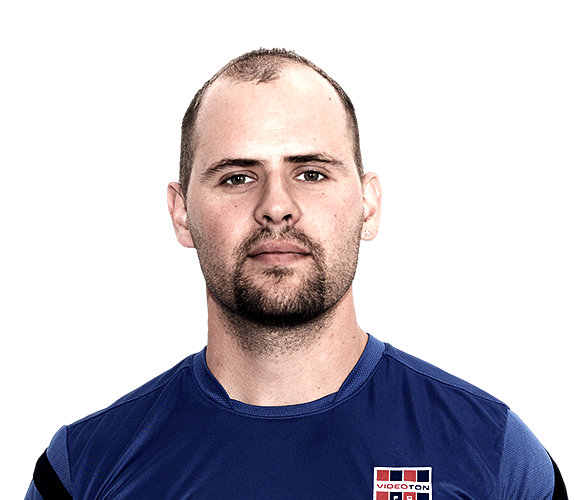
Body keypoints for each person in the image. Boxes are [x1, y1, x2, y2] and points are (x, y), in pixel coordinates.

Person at [27, 50, 566, 499]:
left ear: (368, 205)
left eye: (310, 173)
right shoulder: (86, 467)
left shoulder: (493, 453)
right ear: (181, 211)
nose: (276, 206)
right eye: (237, 177)